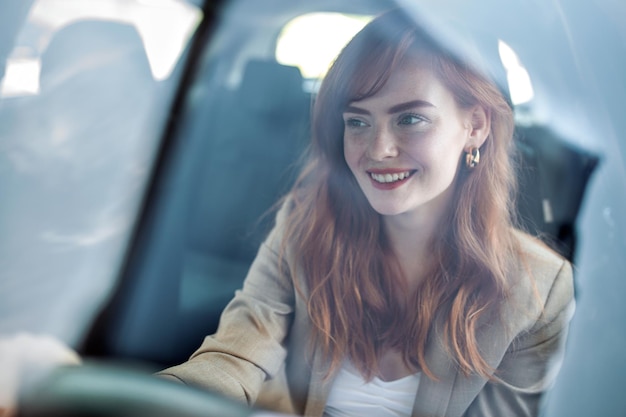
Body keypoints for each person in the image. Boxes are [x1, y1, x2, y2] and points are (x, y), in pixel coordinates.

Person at [158, 9, 575, 417]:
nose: (378, 150)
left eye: (410, 119)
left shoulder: (538, 292)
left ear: (476, 126)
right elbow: (234, 357)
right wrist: (156, 398)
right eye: (357, 122)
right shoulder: (306, 228)